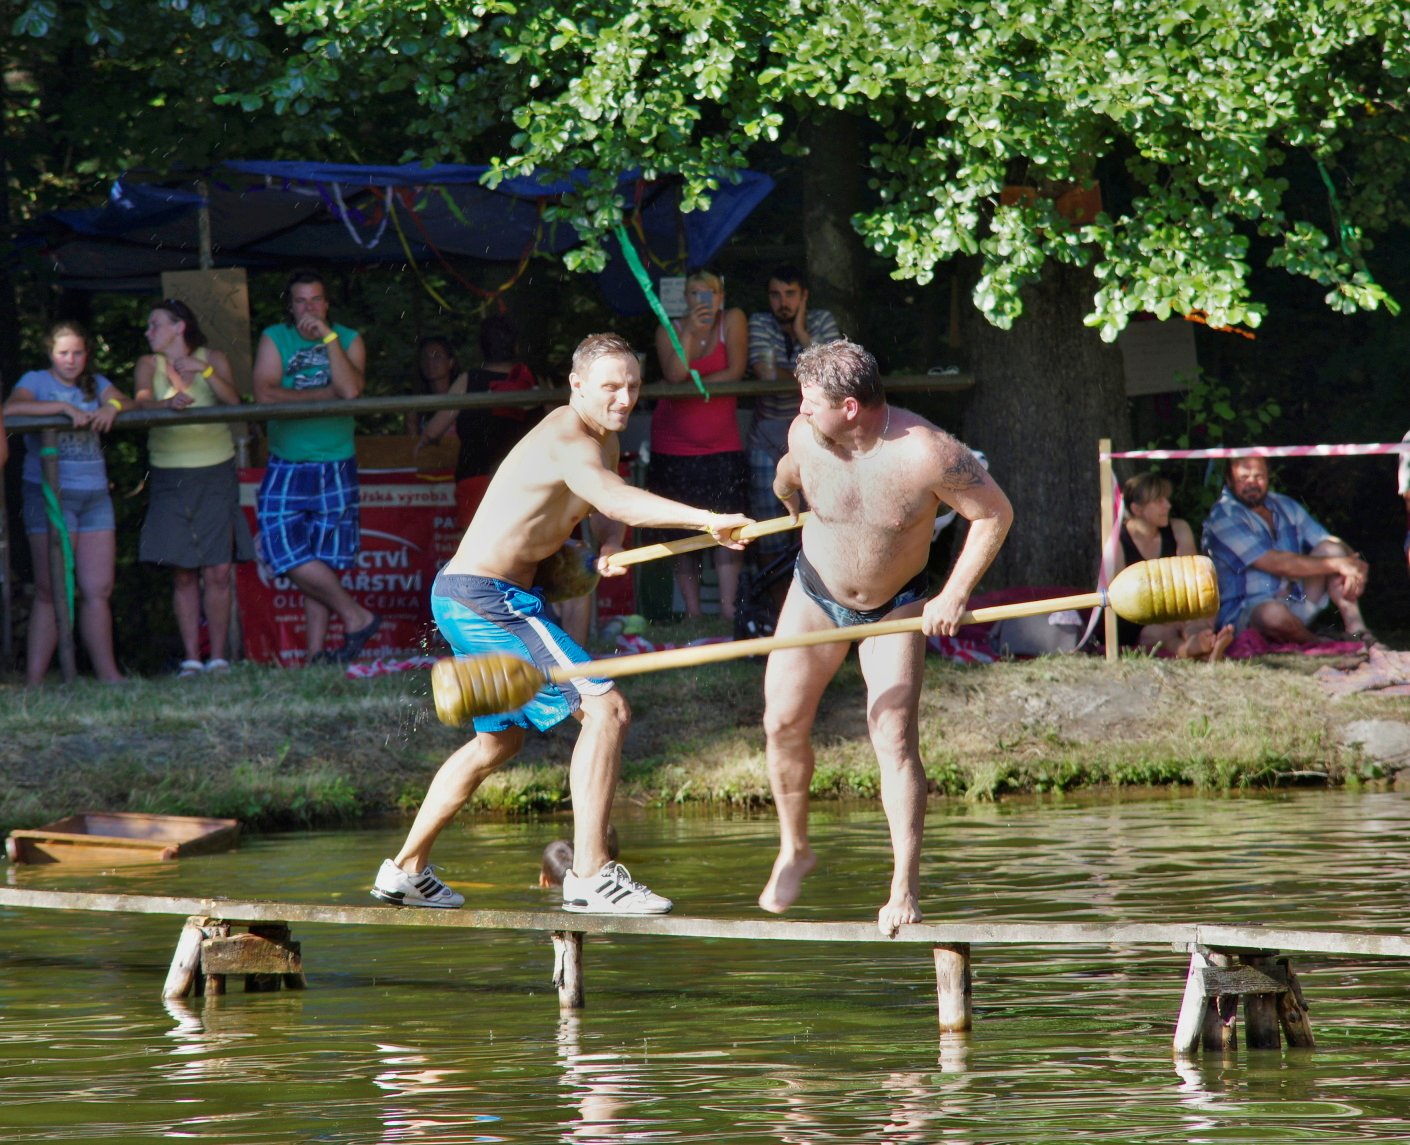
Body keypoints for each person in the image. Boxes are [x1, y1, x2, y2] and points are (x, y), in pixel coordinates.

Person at [370, 333, 753, 913]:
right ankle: (591, 876)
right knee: (606, 709)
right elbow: (614, 496)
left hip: (470, 594)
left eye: (632, 386)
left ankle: (405, 870)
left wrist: (612, 543)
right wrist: (707, 519)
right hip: (489, 597)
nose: (624, 398)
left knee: (498, 742)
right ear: (577, 385)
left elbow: (605, 508)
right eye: (610, 387)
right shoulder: (568, 436)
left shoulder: (604, 437)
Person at [760, 339, 1012, 937]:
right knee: (781, 721)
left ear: (850, 407)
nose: (801, 409)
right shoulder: (805, 435)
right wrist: (785, 499)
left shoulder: (927, 453)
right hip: (815, 594)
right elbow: (787, 476)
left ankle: (903, 887)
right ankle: (794, 848)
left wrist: (954, 594)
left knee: (894, 736)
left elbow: (994, 514)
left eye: (811, 400)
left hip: (894, 606)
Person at [252, 269, 381, 665]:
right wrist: (325, 396)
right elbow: (264, 393)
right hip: (286, 460)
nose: (309, 308)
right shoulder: (275, 337)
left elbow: (351, 390)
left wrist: (328, 338)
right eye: (301, 301)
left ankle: (315, 656)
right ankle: (356, 616)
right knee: (279, 548)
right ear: (290, 307)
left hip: (335, 460)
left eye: (316, 300)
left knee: (322, 560)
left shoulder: (347, 338)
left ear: (326, 304)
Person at [4, 320, 130, 685]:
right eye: (63, 353)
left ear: (87, 355)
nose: (71, 360)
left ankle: (109, 676)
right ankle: (35, 681)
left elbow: (127, 400)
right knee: (51, 588)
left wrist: (112, 407)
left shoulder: (96, 383)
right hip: (49, 494)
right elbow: (11, 409)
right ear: (50, 354)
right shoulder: (35, 381)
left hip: (94, 494)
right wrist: (62, 408)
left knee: (98, 589)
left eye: (77, 353)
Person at [133, 300, 254, 677]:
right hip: (169, 473)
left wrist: (206, 372)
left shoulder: (212, 357)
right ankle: (191, 659)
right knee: (183, 571)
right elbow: (140, 404)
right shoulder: (148, 364)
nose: (148, 332)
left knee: (218, 569)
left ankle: (218, 659)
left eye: (155, 324)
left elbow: (234, 401)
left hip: (216, 470)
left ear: (179, 326)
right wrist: (166, 403)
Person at [647, 268, 750, 621]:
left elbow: (735, 371)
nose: (703, 299)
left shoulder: (732, 320)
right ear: (685, 298)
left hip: (723, 444)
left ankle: (727, 610)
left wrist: (688, 388)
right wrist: (689, 332)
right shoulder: (669, 329)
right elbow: (674, 373)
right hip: (673, 446)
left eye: (710, 292)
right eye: (695, 293)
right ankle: (692, 614)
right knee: (681, 528)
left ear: (721, 297)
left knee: (729, 522)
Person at [1202, 454, 1372, 644]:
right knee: (1272, 614)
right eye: (1243, 478)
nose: (1252, 483)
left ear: (1268, 476)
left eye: (1258, 476)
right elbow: (1277, 563)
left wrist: (1353, 562)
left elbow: (1326, 540)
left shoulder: (1284, 505)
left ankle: (1358, 630)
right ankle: (1318, 643)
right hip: (1247, 614)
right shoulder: (1223, 516)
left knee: (1331, 549)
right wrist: (1341, 564)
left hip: (1294, 600)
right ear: (1229, 480)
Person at [746, 265, 842, 592]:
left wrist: (801, 332)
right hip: (767, 437)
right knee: (769, 529)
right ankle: (776, 604)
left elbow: (835, 376)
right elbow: (765, 375)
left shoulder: (821, 321)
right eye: (776, 294)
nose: (782, 302)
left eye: (790, 294)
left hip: (817, 438)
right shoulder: (760, 322)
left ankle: (817, 598)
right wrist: (811, 379)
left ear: (804, 297)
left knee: (818, 522)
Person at [416, 316, 538, 530]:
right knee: (526, 544)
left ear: (482, 348)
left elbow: (434, 430)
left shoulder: (468, 380)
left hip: (476, 478)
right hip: (526, 480)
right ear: (515, 346)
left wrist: (422, 443)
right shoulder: (531, 380)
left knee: (477, 546)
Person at [1115, 471, 1233, 661]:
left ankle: (1206, 643)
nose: (1168, 505)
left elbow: (1193, 581)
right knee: (1157, 634)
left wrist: (1180, 616)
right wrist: (1166, 618)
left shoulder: (1179, 529)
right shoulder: (1118, 542)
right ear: (1137, 509)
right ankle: (1193, 650)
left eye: (1166, 499)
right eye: (1159, 501)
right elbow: (1120, 597)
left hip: (1179, 608)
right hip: (1140, 618)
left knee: (1197, 621)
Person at [405, 335, 460, 440]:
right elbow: (412, 445)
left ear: (451, 362)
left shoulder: (463, 397)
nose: (430, 362)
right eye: (425, 357)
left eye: (437, 356)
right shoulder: (417, 405)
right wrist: (411, 424)